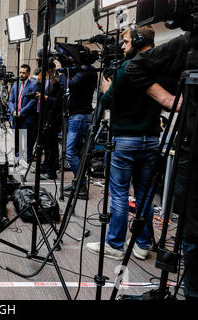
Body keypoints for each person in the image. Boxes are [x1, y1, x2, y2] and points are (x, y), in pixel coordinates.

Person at [86, 25, 172, 261]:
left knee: (120, 194)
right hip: (151, 140)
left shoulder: (128, 68)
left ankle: (114, 244)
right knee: (144, 194)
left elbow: (106, 101)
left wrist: (105, 88)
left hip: (125, 141)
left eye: (125, 41)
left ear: (138, 41)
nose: (122, 46)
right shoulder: (161, 67)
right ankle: (143, 244)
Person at [126, 30, 196, 299]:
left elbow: (114, 97)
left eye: (125, 41)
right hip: (178, 144)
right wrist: (168, 100)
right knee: (187, 225)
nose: (122, 46)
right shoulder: (188, 44)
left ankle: (129, 243)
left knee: (125, 192)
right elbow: (137, 70)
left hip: (135, 140)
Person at [62, 48, 98, 200]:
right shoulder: (86, 71)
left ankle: (81, 185)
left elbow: (69, 84)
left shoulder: (86, 73)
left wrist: (63, 71)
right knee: (76, 152)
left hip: (79, 117)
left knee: (70, 153)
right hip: (80, 116)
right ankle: (78, 182)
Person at [34, 61, 65, 180]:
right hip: (45, 116)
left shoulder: (57, 80)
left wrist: (45, 97)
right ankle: (46, 166)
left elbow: (59, 101)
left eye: (47, 70)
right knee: (46, 145)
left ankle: (52, 171)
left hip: (53, 118)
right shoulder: (47, 81)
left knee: (52, 146)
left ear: (52, 70)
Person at [8, 64, 39, 162]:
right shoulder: (15, 85)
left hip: (26, 117)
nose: (21, 75)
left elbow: (33, 101)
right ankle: (17, 156)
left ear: (29, 74)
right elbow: (10, 101)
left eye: (23, 73)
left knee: (27, 140)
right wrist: (13, 111)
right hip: (15, 116)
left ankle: (27, 158)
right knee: (16, 138)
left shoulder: (34, 85)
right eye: (20, 72)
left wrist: (21, 112)